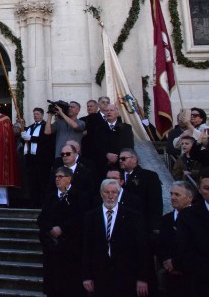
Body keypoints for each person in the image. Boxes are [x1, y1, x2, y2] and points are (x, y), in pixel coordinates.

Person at [82, 179, 148, 297]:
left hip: (126, 276)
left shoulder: (133, 216)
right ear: (101, 193)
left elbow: (141, 248)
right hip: (99, 275)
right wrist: (87, 276)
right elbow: (86, 248)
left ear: (118, 194)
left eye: (114, 192)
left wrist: (142, 278)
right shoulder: (90, 217)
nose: (110, 196)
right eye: (107, 192)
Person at [36, 167, 89, 297]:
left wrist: (63, 228)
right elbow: (42, 218)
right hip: (53, 247)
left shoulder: (79, 196)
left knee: (70, 284)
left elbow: (80, 218)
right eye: (56, 177)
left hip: (71, 247)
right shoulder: (50, 197)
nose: (57, 180)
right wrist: (50, 230)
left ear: (69, 179)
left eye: (61, 177)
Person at [157, 181, 194, 296]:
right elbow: (161, 244)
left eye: (177, 195)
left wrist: (177, 264)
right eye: (171, 194)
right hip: (171, 276)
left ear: (189, 198)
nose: (173, 197)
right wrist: (168, 263)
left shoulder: (199, 218)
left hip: (193, 278)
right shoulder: (166, 219)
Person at [22, 107, 53, 207]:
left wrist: (31, 138)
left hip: (41, 158)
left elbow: (46, 140)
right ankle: (33, 202)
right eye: (34, 114)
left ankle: (43, 202)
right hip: (31, 158)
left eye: (38, 114)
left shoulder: (46, 126)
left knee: (42, 181)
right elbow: (26, 141)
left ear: (42, 115)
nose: (35, 116)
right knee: (32, 181)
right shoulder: (30, 127)